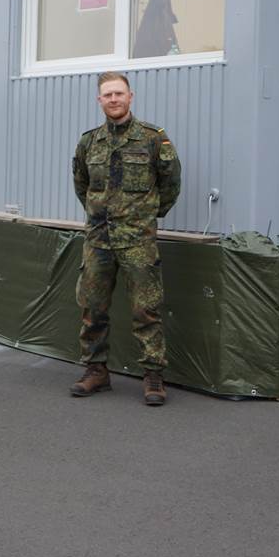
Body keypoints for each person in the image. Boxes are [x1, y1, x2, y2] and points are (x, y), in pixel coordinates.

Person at [69, 71, 181, 405]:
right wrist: (99, 215)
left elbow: (171, 183)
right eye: (107, 95)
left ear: (130, 96)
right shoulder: (90, 142)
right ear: (99, 100)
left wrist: (146, 216)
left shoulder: (152, 138)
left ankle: (153, 377)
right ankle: (96, 371)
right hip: (98, 240)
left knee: (146, 310)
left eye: (119, 93)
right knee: (92, 308)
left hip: (137, 240)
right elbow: (82, 184)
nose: (114, 99)